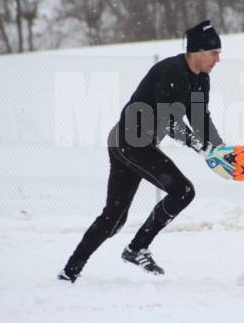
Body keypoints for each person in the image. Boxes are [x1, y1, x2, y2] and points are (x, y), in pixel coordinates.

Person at [58, 20, 225, 283]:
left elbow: (199, 118)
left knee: (114, 219)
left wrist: (221, 150)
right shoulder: (169, 71)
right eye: (214, 52)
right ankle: (133, 250)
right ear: (197, 52)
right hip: (128, 142)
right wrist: (200, 147)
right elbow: (170, 121)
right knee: (181, 191)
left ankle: (70, 271)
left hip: (141, 145)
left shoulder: (201, 80)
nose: (218, 59)